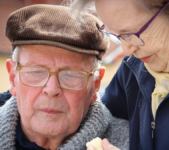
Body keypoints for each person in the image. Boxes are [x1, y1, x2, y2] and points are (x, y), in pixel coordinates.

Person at [69, 0, 169, 150]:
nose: (127, 51)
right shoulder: (135, 64)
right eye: (118, 35)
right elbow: (105, 120)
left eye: (134, 33)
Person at [0, 4, 129, 150]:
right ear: (12, 78)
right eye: (36, 72)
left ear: (96, 83)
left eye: (70, 75)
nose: (52, 89)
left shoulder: (134, 143)